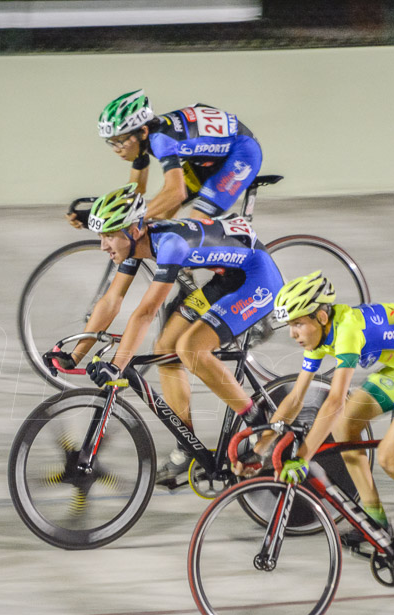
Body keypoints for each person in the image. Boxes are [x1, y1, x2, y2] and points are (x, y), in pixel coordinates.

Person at [44, 184, 283, 487]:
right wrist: (75, 354)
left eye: (109, 236)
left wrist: (117, 365)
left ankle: (262, 424)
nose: (103, 245)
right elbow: (110, 301)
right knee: (165, 349)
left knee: (191, 349)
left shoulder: (169, 245)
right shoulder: (134, 244)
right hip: (226, 278)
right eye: (101, 236)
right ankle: (188, 447)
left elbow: (145, 312)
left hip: (256, 278)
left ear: (133, 229)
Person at [253, 271, 394, 578]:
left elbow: (333, 401)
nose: (292, 333)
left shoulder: (348, 330)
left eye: (297, 323)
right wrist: (259, 449)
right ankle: (375, 520)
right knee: (344, 428)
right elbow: (294, 399)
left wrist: (302, 456)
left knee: (391, 458)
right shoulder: (318, 335)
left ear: (320, 315)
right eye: (290, 325)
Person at [68, 89, 262, 227]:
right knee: (159, 217)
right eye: (111, 142)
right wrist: (96, 216)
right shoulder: (144, 140)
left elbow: (176, 192)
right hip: (210, 157)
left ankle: (230, 274)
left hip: (241, 154)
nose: (116, 149)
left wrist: (129, 218)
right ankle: (185, 277)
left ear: (142, 131)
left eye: (120, 141)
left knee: (196, 224)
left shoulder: (162, 140)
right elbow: (135, 191)